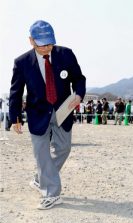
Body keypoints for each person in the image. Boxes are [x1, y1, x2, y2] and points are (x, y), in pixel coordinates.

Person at [9, 20, 86, 210]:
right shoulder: (22, 62)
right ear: (31, 41)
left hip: (63, 110)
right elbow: (15, 92)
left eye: (49, 43)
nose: (46, 48)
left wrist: (78, 94)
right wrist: (15, 117)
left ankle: (40, 177)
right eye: (42, 44)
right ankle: (51, 193)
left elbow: (79, 79)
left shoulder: (65, 54)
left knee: (64, 148)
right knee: (41, 153)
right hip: (37, 113)